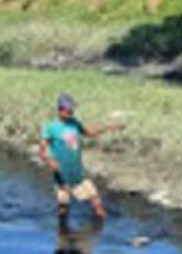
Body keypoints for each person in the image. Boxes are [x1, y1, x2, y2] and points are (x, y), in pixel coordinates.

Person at [39, 93, 124, 226]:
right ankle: (62, 235)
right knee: (63, 207)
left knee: (95, 200)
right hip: (61, 174)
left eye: (72, 110)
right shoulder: (50, 128)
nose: (71, 113)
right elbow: (42, 150)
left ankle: (105, 229)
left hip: (77, 172)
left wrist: (107, 128)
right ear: (60, 110)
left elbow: (88, 133)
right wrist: (50, 161)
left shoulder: (74, 123)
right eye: (69, 111)